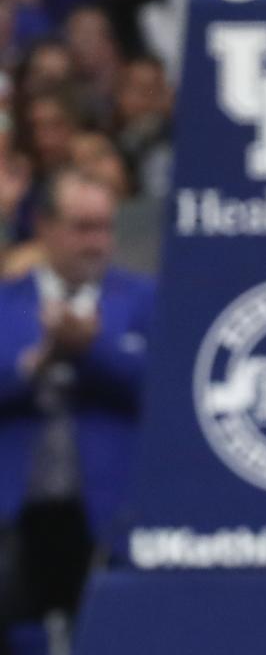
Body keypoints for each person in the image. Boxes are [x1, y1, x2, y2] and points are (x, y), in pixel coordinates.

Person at [0, 166, 152, 618]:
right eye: (82, 228)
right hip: (15, 514)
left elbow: (163, 392)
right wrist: (35, 365)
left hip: (112, 515)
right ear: (44, 227)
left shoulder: (144, 297)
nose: (97, 242)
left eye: (104, 227)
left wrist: (90, 350)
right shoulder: (7, 302)